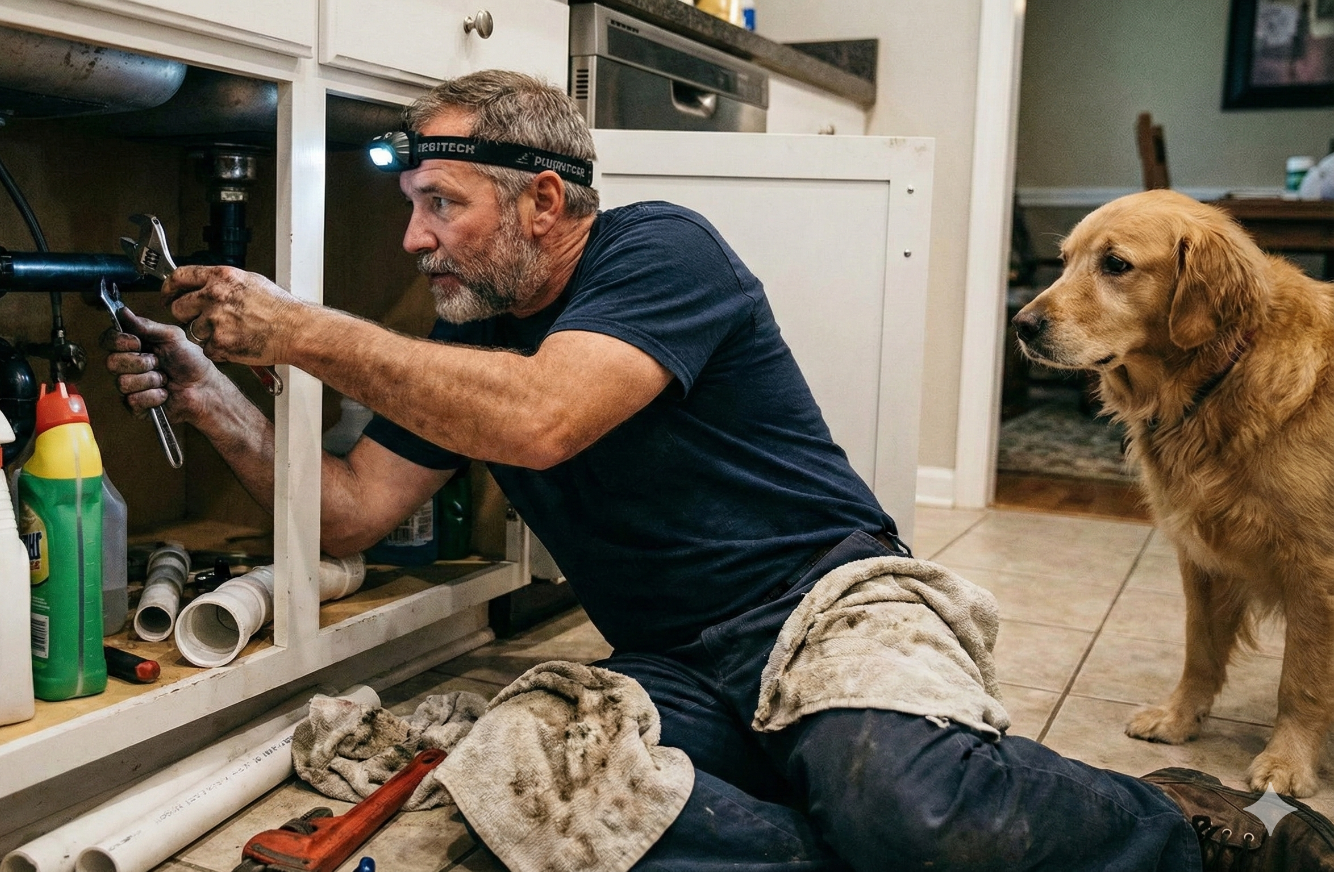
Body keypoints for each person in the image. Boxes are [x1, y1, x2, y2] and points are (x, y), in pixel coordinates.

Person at [106, 70, 1334, 871]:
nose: (416, 237)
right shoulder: (460, 346)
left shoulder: (660, 253)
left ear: (544, 199)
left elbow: (543, 419)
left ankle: (1201, 835)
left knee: (902, 799)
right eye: (415, 207)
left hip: (832, 603)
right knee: (516, 785)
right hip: (672, 657)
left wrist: (304, 329)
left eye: (443, 204)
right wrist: (217, 401)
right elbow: (352, 508)